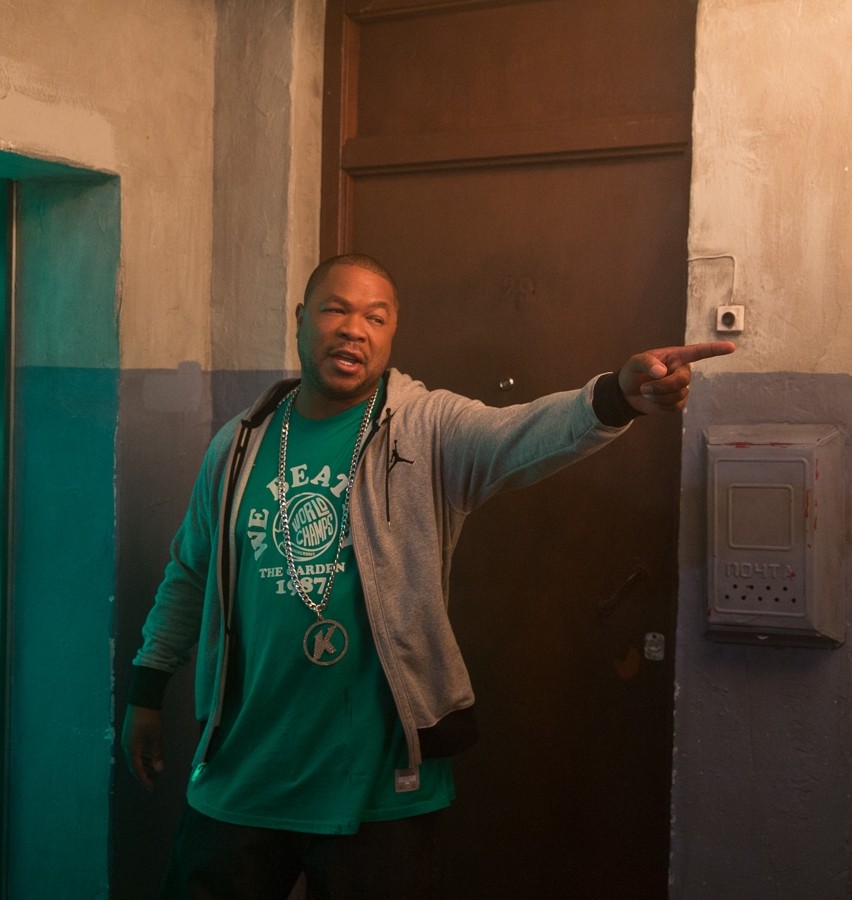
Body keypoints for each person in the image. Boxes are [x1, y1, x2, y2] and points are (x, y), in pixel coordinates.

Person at [122, 253, 735, 898]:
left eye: (375, 317)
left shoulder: (426, 428)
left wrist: (617, 397)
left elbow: (519, 432)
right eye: (335, 309)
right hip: (243, 772)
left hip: (381, 787)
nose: (353, 329)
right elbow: (191, 572)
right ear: (301, 319)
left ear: (392, 334)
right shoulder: (239, 443)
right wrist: (147, 687)